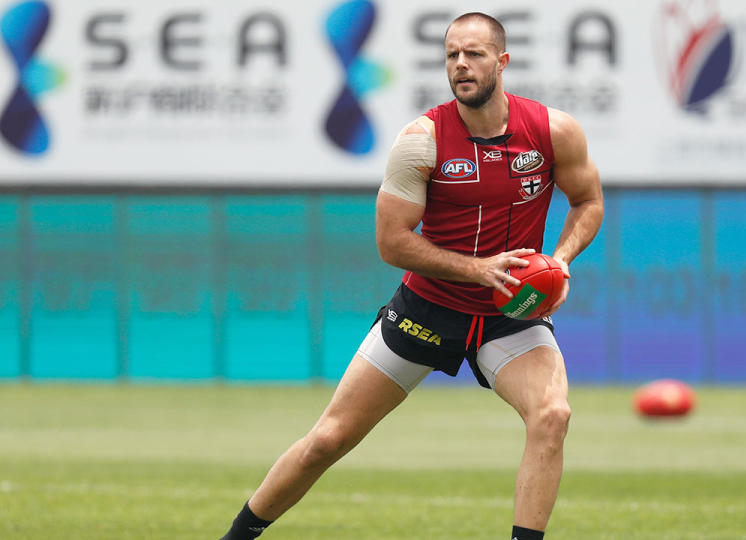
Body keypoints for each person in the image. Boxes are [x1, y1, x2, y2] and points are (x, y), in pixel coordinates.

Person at [219, 11, 603, 540]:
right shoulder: (421, 140)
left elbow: (588, 203)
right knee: (328, 440)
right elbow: (391, 242)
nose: (461, 65)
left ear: (503, 61)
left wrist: (560, 259)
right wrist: (477, 269)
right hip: (425, 312)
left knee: (553, 415)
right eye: (451, 56)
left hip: (510, 315)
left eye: (474, 54)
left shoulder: (553, 131)